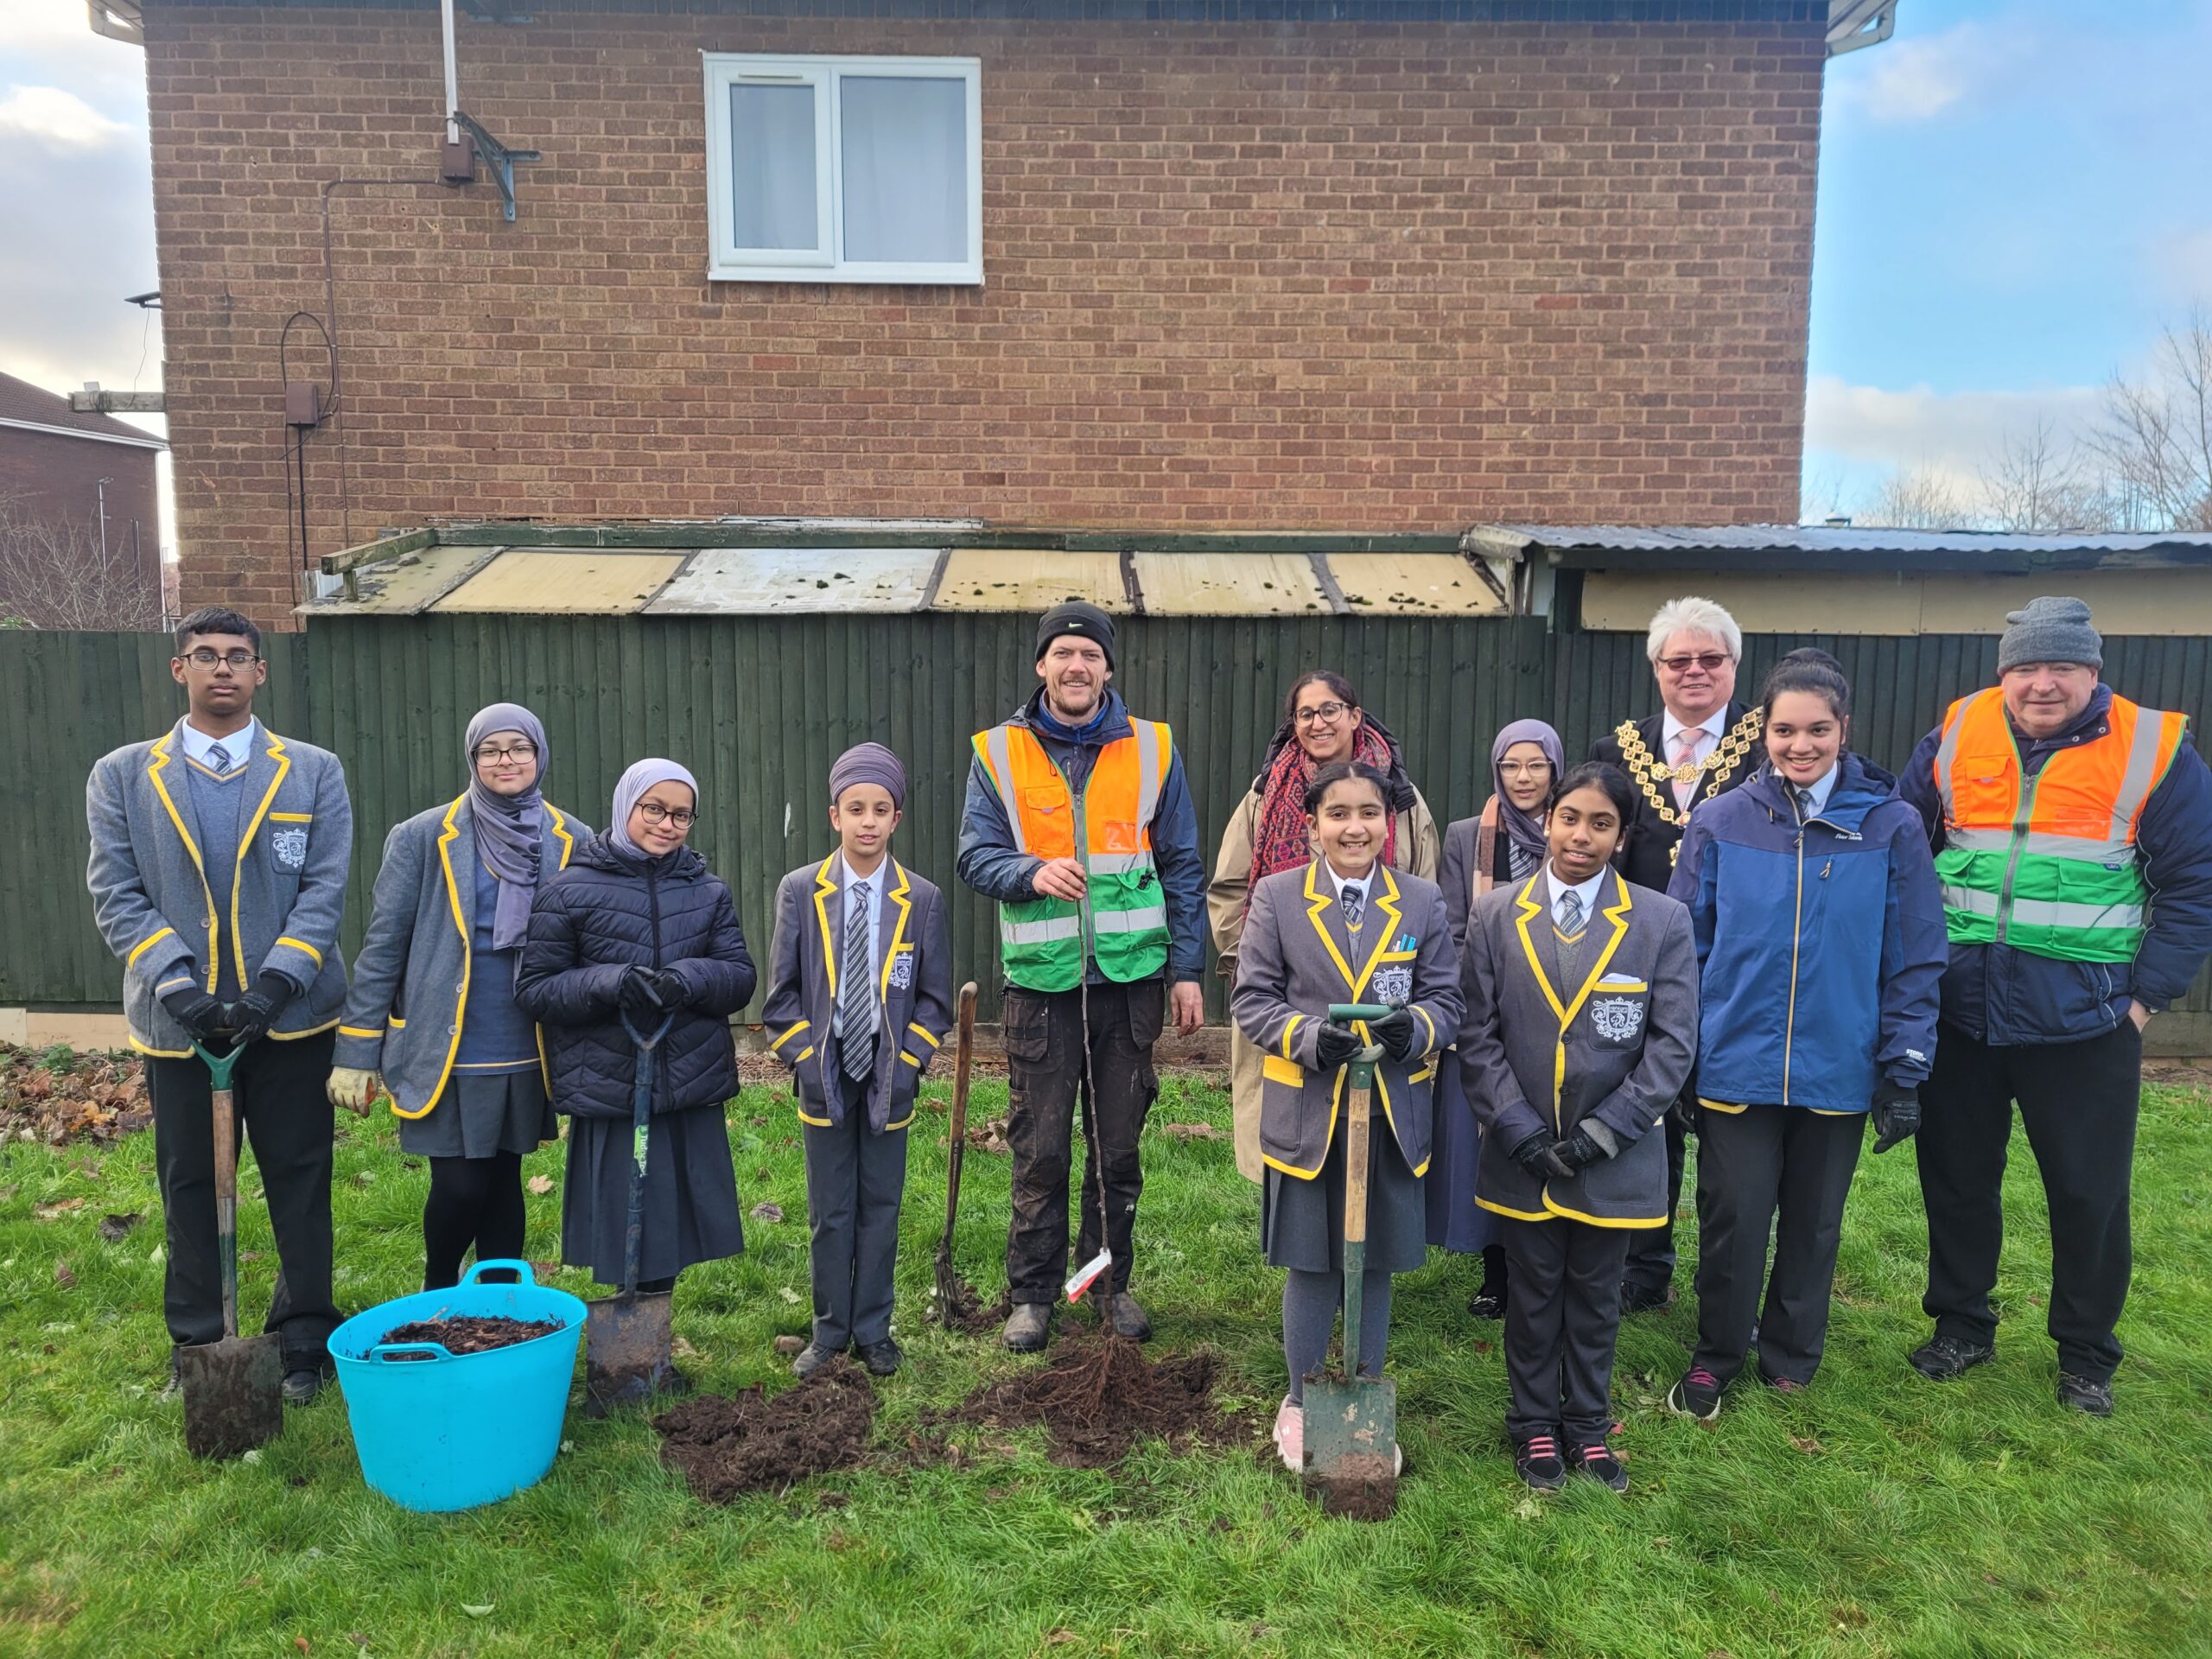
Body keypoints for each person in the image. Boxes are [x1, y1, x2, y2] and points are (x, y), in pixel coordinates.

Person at [1896, 597, 2212, 1416]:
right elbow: (1904, 845)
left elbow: (2193, 886)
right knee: (1958, 1181)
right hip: (1961, 1013)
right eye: (2026, 667)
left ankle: (2085, 1354)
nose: (2042, 684)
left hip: (2088, 1023)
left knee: (2087, 1194)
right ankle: (1961, 1325)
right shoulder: (1959, 732)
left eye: (2060, 667)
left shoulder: (2155, 750)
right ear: (2004, 672)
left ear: (2092, 672)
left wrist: (2144, 1002)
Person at [1662, 652, 1944, 1420]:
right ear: (1764, 732)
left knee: (1815, 1222)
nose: (1800, 745)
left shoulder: (1891, 826)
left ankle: (1790, 1353)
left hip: (1839, 1064)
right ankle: (1717, 1353)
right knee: (1733, 1220)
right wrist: (1679, 1055)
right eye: (1785, 730)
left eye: (1817, 729)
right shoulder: (1719, 821)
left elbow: (1914, 950)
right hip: (1734, 1063)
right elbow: (1684, 945)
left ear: (1843, 729)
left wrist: (1905, 1064)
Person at [86, 605, 354, 1403]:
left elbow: (326, 886)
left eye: (238, 656)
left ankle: (305, 1338)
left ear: (260, 672)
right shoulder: (124, 775)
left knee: (300, 1178)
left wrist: (277, 984)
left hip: (292, 1018)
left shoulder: (311, 769)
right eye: (205, 656)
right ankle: (199, 1341)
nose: (223, 669)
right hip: (183, 1029)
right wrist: (178, 987)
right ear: (180, 670)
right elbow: (116, 891)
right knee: (192, 1184)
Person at [957, 601, 1207, 1351]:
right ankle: (1032, 1295)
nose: (1076, 666)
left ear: (1107, 668)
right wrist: (1031, 871)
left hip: (1131, 984)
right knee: (1041, 1148)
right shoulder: (997, 752)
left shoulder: (1154, 748)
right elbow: (975, 856)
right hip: (1042, 986)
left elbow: (1183, 865)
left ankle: (1103, 1287)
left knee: (1117, 1147)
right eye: (1063, 653)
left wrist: (1188, 971)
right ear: (1042, 665)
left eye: (1090, 655)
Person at [1457, 761, 1698, 1492]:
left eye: (1601, 824)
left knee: (1596, 1291)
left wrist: (1611, 1127)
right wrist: (1517, 1126)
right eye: (1570, 819)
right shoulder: (1497, 913)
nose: (1581, 836)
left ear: (1622, 836)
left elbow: (1673, 1042)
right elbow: (1477, 1033)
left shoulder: (1661, 921)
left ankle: (1588, 1425)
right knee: (1532, 1292)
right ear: (1547, 821)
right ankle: (1533, 1423)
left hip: (1612, 1156)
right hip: (1524, 1150)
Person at [1230, 762, 1461, 1472]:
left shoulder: (1421, 902)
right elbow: (1253, 998)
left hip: (1389, 1113)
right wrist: (1306, 1038)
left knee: (1375, 1258)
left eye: (1368, 813)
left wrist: (1414, 1028)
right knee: (1312, 1259)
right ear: (1313, 825)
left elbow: (1448, 1001)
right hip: (1308, 1110)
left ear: (1388, 824)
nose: (1354, 827)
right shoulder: (1277, 897)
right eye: (1338, 814)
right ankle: (1302, 1399)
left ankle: (1361, 1392)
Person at [327, 703, 588, 1290]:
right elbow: (383, 947)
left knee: (503, 1177)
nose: (506, 760)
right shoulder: (423, 837)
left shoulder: (573, 839)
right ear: (472, 759)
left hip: (528, 1041)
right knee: (460, 1184)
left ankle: (499, 1308)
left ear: (539, 755)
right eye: (490, 750)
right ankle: (439, 1285)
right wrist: (356, 1050)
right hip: (446, 1041)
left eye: (518, 748)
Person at [515, 758, 756, 1370]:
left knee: (670, 1215)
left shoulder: (707, 891)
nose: (668, 824)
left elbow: (737, 977)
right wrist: (609, 982)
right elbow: (537, 989)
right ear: (626, 806)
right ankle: (625, 1335)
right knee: (622, 1210)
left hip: (683, 1079)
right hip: (612, 1080)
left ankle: (652, 1329)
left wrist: (686, 979)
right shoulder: (570, 889)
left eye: (681, 814)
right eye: (655, 809)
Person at [1588, 595, 1762, 1313]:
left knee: (1727, 1128)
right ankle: (1644, 1264)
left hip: (1734, 964)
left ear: (1732, 665)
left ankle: (1725, 1280)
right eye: (1678, 660)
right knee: (1644, 1116)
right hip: (1636, 961)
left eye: (1709, 659)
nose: (1694, 672)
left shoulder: (1766, 744)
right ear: (1657, 669)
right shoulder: (1614, 749)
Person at [763, 743, 954, 1379]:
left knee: (881, 1206)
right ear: (834, 815)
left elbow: (933, 1001)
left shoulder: (920, 899)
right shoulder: (801, 891)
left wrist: (907, 1066)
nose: (867, 822)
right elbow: (782, 996)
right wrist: (805, 1062)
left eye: (880, 810)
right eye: (855, 809)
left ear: (896, 819)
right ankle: (829, 1332)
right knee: (829, 1211)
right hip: (826, 1075)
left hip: (887, 1075)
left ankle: (874, 1330)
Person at [1209, 671, 1440, 1184]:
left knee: (1379, 1144)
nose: (1319, 722)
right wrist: (1254, 961)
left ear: (1355, 717)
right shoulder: (1265, 797)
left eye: (1331, 709)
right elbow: (1229, 888)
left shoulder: (1401, 799)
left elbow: (1426, 883)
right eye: (1306, 713)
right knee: (1291, 1134)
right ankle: (1299, 1227)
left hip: (1384, 996)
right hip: (1291, 998)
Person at [1431, 718, 1567, 1318]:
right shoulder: (1467, 837)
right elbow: (1453, 928)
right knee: (1487, 1145)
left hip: (1559, 1014)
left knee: (1549, 1136)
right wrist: (1486, 997)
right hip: (1483, 1014)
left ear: (1556, 770)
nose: (1524, 777)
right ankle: (1496, 1275)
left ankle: (1547, 1269)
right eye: (1512, 765)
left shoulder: (1576, 829)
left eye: (1536, 764)